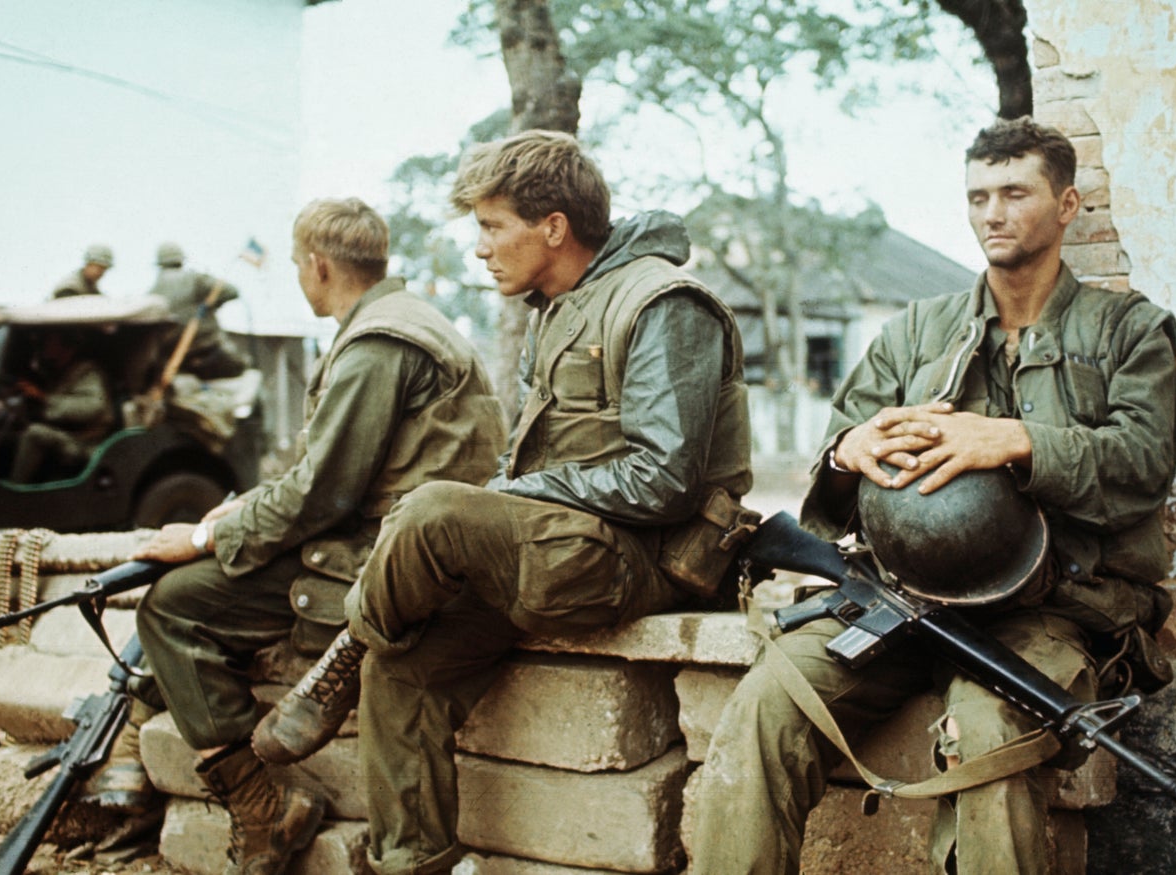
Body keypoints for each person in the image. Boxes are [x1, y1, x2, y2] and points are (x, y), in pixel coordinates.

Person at [253, 130, 754, 875]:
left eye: (492, 226)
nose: (481, 248)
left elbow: (664, 480)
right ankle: (407, 862)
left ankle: (339, 650)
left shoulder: (663, 302)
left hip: (644, 558)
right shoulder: (558, 308)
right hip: (559, 549)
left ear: (553, 226)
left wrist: (516, 493)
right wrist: (513, 498)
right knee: (401, 669)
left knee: (430, 510)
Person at [687, 116, 1176, 873]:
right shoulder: (918, 330)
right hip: (903, 598)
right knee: (768, 704)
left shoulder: (1129, 331)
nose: (993, 212)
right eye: (979, 195)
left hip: (1053, 609)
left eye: (1016, 192)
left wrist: (1017, 440)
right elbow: (840, 451)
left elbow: (1144, 462)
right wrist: (852, 451)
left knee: (991, 731)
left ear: (1068, 205)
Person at [128, 197, 507, 873]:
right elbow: (327, 472)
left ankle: (264, 808)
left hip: (387, 562)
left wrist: (201, 539)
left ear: (318, 264)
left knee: (171, 605)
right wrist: (235, 512)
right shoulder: (404, 321)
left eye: (301, 266)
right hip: (403, 544)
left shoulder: (376, 343)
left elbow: (324, 491)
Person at [8, 330, 116, 483]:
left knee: (35, 434)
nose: (43, 345)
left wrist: (44, 399)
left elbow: (93, 407)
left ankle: (14, 490)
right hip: (65, 435)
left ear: (66, 345)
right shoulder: (55, 371)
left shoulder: (87, 373)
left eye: (48, 341)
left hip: (85, 443)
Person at [148, 240, 247, 379]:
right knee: (242, 368)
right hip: (207, 348)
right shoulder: (196, 279)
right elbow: (231, 291)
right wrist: (212, 303)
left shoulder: (154, 290)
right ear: (181, 261)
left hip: (173, 357)